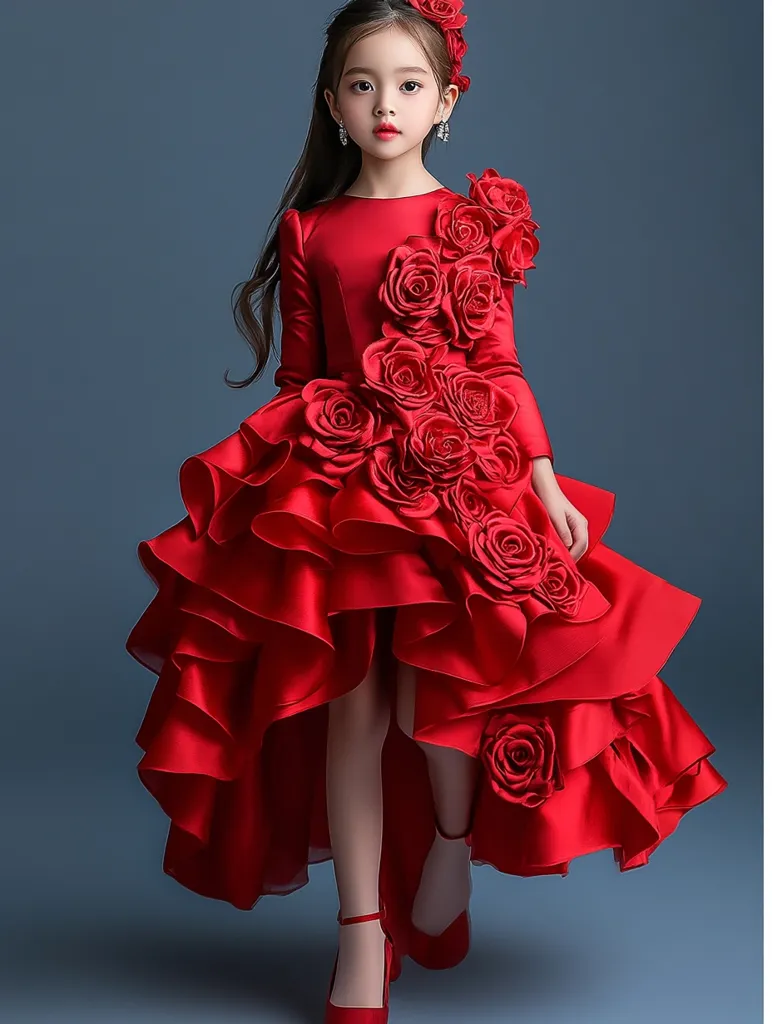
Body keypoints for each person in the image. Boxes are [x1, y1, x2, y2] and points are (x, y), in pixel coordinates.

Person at [125, 1, 728, 1020]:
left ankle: (449, 843)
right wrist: (285, 485)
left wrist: (539, 479)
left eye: (407, 84)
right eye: (362, 85)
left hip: (460, 477)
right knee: (347, 711)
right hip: (343, 490)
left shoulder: (468, 223)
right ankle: (359, 932)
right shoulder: (310, 228)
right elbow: (300, 374)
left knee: (438, 702)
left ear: (447, 103)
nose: (385, 104)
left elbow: (497, 362)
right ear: (332, 106)